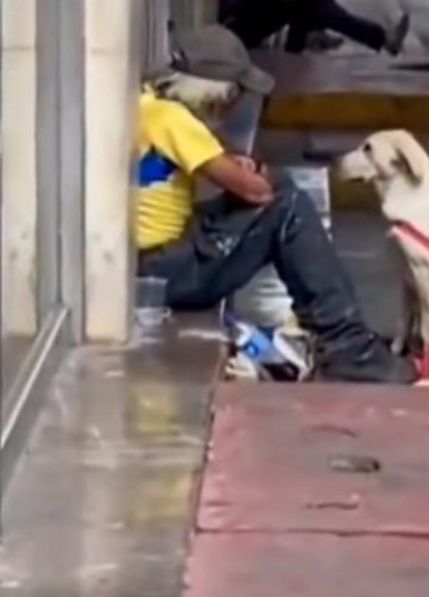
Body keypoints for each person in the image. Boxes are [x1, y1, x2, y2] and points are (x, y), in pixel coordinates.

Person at [138, 25, 410, 383]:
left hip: (148, 263)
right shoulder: (175, 120)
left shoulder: (149, 106)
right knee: (287, 206)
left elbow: (197, 165)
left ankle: (342, 337)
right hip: (163, 272)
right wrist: (259, 174)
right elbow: (255, 192)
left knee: (279, 190)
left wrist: (240, 167)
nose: (232, 106)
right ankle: (348, 346)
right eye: (233, 95)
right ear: (212, 94)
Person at [219, 0, 410, 55]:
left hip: (242, 20)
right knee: (308, 4)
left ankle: (305, 40)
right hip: (236, 25)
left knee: (308, 5)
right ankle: (384, 39)